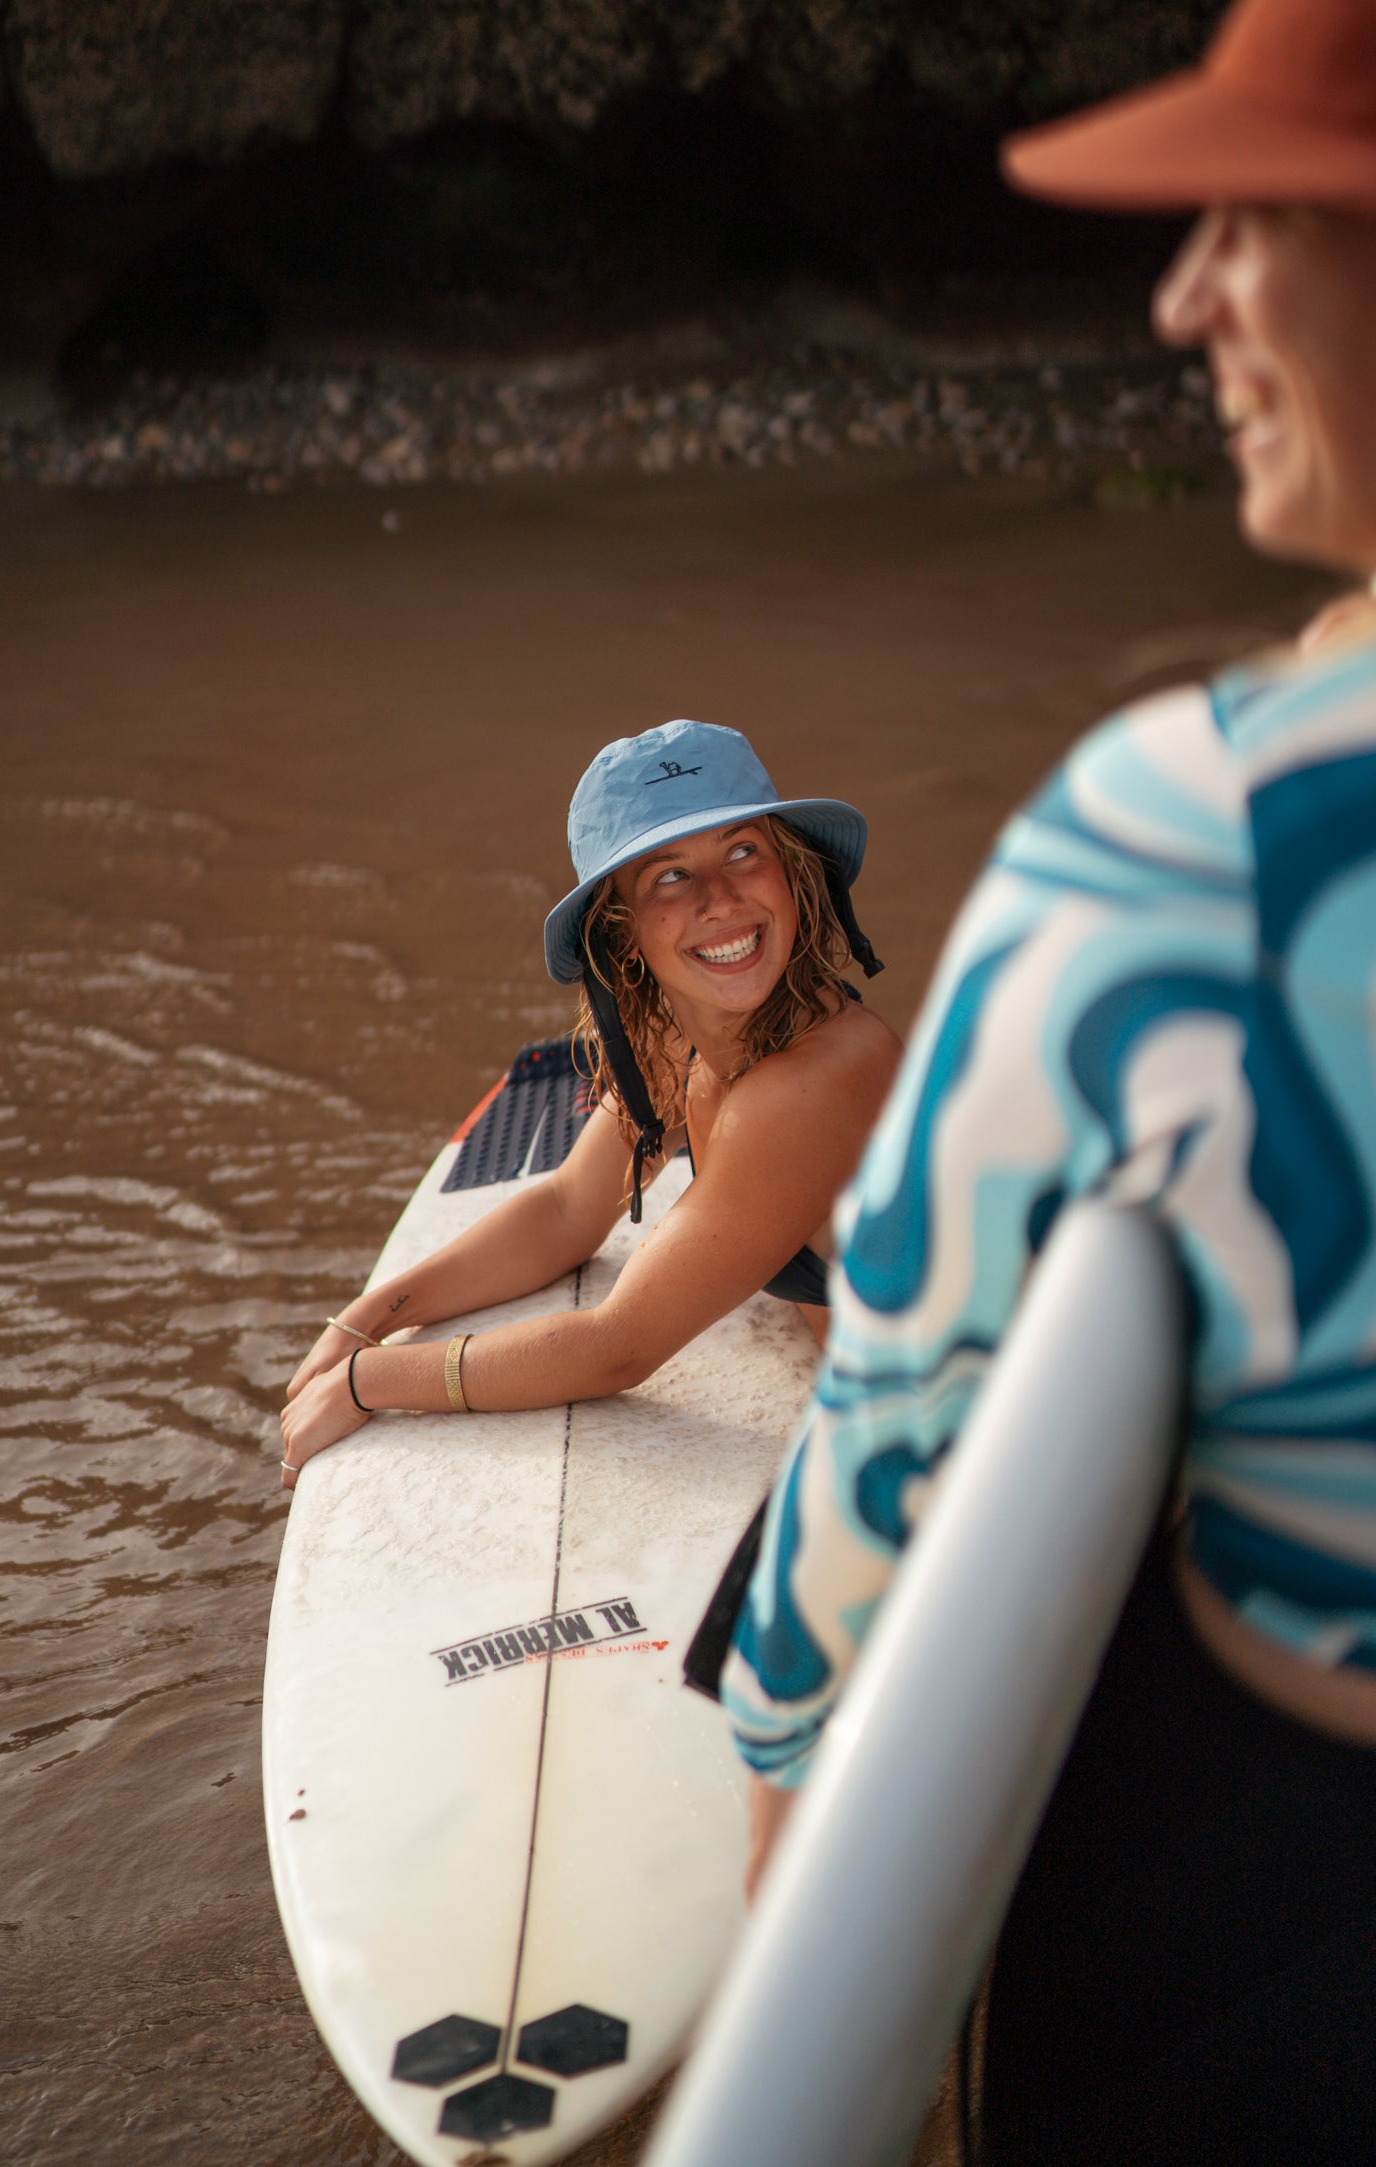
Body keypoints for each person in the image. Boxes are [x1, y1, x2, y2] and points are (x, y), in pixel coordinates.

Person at [721, 0, 1376, 2158]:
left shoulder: (1200, 843)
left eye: (1258, 215)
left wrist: (793, 1968)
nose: (1183, 292)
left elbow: (869, 1491)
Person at [279, 719, 897, 1486]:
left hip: (987, 1441)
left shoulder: (810, 1081)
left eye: (743, 851)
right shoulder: (688, 1040)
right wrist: (372, 1315)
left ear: (792, 872)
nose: (719, 898)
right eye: (669, 875)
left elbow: (620, 1347)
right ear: (621, 931)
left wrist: (369, 1383)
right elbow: (568, 1212)